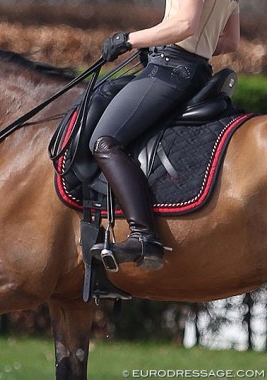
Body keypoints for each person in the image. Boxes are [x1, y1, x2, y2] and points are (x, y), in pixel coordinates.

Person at [91, 0, 240, 270]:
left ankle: (143, 236)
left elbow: (184, 24)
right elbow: (230, 42)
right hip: (197, 71)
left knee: (105, 141)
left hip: (170, 70)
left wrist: (128, 39)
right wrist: (175, 42)